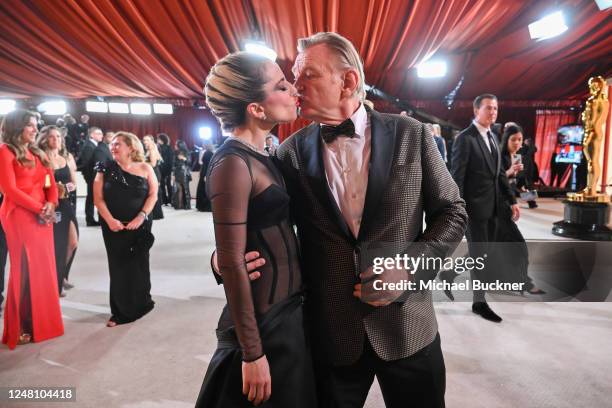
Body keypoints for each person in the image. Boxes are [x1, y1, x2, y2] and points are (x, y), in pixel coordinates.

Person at [221, 32, 467, 407]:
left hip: (407, 327)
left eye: (308, 76)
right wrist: (221, 258)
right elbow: (261, 218)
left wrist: (410, 269)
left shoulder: (411, 134)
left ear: (348, 81)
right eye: (292, 77)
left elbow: (452, 212)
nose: (295, 87)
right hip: (332, 332)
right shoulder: (290, 154)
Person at [196, 51, 316, 408]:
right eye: (281, 85)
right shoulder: (232, 162)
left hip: (289, 311)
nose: (293, 89)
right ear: (256, 109)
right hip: (264, 324)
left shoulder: (264, 153)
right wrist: (252, 354)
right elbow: (232, 259)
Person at [450, 94, 518, 323]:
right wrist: (457, 208)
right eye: (488, 108)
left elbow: (498, 175)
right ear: (476, 109)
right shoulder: (465, 139)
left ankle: (449, 273)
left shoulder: (493, 138)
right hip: (473, 210)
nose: (493, 112)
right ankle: (479, 302)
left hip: (494, 208)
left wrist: (513, 200)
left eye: (496, 108)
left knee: (485, 251)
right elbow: (456, 177)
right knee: (481, 254)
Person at [0, 109, 64, 349]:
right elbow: (10, 190)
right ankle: (23, 326)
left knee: (43, 268)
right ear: (17, 127)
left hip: (42, 214)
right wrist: (40, 208)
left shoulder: (38, 153)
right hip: (18, 216)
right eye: (30, 125)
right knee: (25, 268)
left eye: (36, 125)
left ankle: (44, 325)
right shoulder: (5, 152)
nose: (36, 129)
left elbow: (50, 182)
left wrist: (50, 203)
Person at [93, 132, 158, 327]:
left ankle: (143, 303)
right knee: (118, 265)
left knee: (139, 263)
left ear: (131, 147)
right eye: (111, 144)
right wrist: (110, 220)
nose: (113, 147)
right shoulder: (104, 168)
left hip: (141, 223)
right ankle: (120, 312)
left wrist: (141, 216)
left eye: (117, 144)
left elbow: (153, 195)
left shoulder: (145, 167)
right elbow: (98, 199)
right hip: (113, 226)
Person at [495, 125, 546, 294]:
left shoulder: (516, 156)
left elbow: (514, 184)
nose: (517, 143)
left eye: (519, 139)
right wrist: (510, 172)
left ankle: (450, 274)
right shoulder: (499, 156)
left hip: (506, 206)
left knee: (490, 249)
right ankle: (524, 282)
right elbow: (495, 180)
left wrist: (524, 193)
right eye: (513, 139)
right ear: (506, 140)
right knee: (519, 246)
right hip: (496, 207)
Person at [37, 126, 80, 297]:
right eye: (52, 137)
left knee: (73, 243)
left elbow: (74, 183)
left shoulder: (66, 158)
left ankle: (61, 275)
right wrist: (53, 188)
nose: (56, 140)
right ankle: (54, 281)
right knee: (57, 245)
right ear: (45, 139)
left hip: (65, 203)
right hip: (49, 205)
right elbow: (39, 184)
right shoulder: (40, 158)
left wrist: (66, 188)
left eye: (58, 137)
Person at [77, 126, 103, 226]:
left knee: (92, 197)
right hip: (92, 176)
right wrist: (91, 178)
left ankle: (91, 219)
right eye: (98, 133)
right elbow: (88, 164)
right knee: (92, 198)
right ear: (92, 135)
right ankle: (90, 219)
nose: (101, 135)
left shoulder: (93, 145)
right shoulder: (89, 146)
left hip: (93, 176)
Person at [143, 135, 164, 220]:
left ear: (152, 141)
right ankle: (155, 213)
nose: (145, 142)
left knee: (153, 192)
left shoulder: (152, 150)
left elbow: (153, 164)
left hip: (154, 173)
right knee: (153, 192)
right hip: (151, 172)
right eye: (144, 140)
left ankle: (156, 214)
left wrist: (142, 163)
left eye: (147, 140)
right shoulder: (149, 149)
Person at [171, 140, 191, 210]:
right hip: (178, 172)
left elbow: (189, 162)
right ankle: (178, 205)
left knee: (185, 189)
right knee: (177, 188)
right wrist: (173, 174)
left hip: (185, 172)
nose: (175, 146)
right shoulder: (175, 153)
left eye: (176, 145)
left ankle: (187, 205)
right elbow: (173, 164)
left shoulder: (187, 152)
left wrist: (184, 158)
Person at [195, 143, 213, 212]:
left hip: (205, 172)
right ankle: (202, 206)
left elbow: (207, 164)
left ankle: (203, 206)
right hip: (204, 171)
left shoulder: (208, 153)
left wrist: (206, 174)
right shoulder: (209, 152)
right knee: (203, 189)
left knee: (203, 189)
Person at [157, 133, 174, 205]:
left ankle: (170, 199)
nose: (157, 140)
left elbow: (170, 160)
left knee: (169, 185)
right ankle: (164, 200)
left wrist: (170, 170)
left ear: (162, 140)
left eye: (159, 139)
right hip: (160, 169)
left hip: (167, 169)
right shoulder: (158, 148)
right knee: (162, 185)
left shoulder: (168, 148)